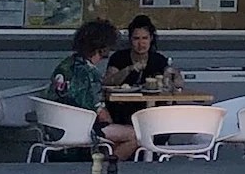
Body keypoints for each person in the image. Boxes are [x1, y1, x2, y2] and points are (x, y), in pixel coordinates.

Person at [43, 18, 138, 160]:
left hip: (53, 128)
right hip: (81, 129)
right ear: (102, 46)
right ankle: (105, 169)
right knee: (134, 135)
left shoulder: (65, 65)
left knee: (114, 134)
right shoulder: (90, 74)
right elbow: (101, 114)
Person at [99, 14, 176, 125]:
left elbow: (178, 84)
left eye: (145, 38)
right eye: (136, 39)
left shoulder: (158, 59)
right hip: (123, 109)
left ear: (151, 39)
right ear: (130, 39)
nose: (141, 43)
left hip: (152, 110)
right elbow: (108, 81)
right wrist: (129, 69)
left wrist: (173, 74)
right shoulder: (119, 57)